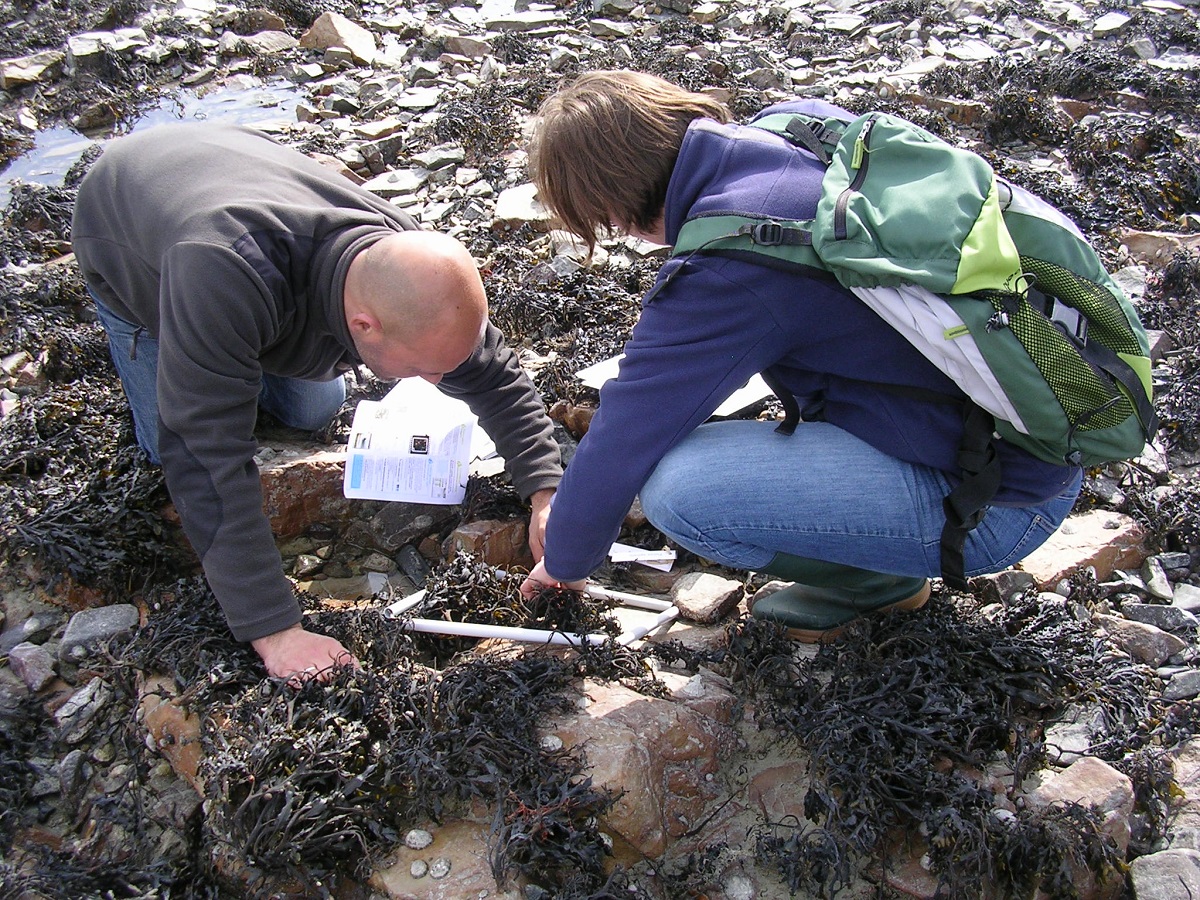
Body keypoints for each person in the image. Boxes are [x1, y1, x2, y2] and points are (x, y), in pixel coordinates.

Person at [518, 70, 1082, 641]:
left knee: (679, 490)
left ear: (615, 202)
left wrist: (564, 562)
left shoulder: (732, 257)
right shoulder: (796, 129)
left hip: (995, 505)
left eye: (607, 220)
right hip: (1044, 439)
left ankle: (878, 585)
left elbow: (628, 430)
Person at [72, 123, 562, 677]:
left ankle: (229, 359)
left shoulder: (404, 260)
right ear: (364, 325)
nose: (439, 379)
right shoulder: (217, 272)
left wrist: (545, 490)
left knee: (312, 411)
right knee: (165, 442)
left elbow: (491, 374)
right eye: (425, 370)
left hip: (228, 177)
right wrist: (275, 632)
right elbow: (203, 457)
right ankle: (202, 352)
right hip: (123, 226)